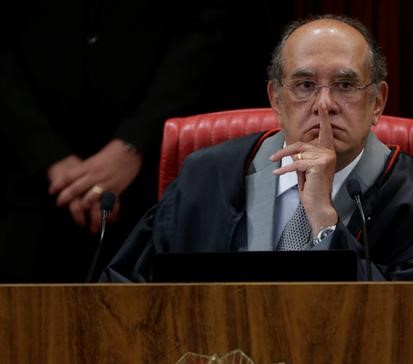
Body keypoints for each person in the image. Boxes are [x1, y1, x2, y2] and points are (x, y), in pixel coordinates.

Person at [102, 14, 413, 282]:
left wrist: (325, 222)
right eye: (304, 85)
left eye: (346, 86)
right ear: (276, 100)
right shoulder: (205, 181)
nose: (324, 103)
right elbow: (127, 300)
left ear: (377, 102)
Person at [0, 1, 292, 283]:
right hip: (30, 172)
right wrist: (48, 154)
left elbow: (204, 29)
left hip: (154, 165)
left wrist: (133, 141)